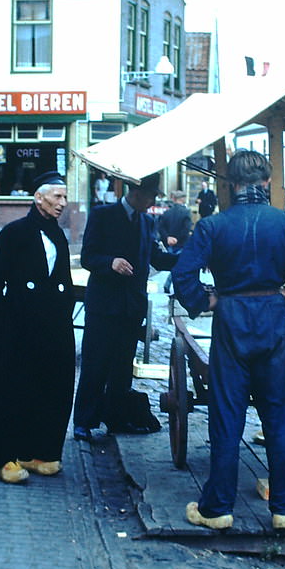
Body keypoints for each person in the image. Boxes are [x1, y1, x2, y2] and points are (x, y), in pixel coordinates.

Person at [172, 149, 285, 531]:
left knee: (227, 416)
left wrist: (206, 300)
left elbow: (182, 277)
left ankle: (217, 509)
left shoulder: (213, 226)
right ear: (266, 183)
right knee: (280, 416)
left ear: (231, 186)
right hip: (272, 319)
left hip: (230, 319)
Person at [0, 171, 75, 484]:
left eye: (64, 196)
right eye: (57, 196)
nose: (63, 203)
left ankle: (39, 452)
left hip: (54, 327)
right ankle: (3, 457)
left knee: (52, 387)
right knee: (10, 390)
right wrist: (3, 319)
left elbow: (62, 280)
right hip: (17, 327)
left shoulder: (58, 234)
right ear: (38, 197)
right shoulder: (15, 233)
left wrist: (64, 311)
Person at [72, 173, 178, 441]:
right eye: (152, 195)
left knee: (122, 369)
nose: (153, 201)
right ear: (137, 193)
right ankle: (84, 421)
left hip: (132, 308)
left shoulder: (147, 221)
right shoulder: (103, 215)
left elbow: (158, 259)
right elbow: (88, 257)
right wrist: (111, 262)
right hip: (104, 306)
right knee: (95, 364)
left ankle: (116, 419)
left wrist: (192, 256)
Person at [157, 189, 193, 294]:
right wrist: (177, 238)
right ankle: (172, 285)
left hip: (169, 243)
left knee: (174, 264)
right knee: (178, 265)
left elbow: (161, 227)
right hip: (181, 243)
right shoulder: (186, 212)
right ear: (182, 199)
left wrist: (168, 237)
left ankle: (168, 285)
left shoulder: (167, 213)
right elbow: (186, 229)